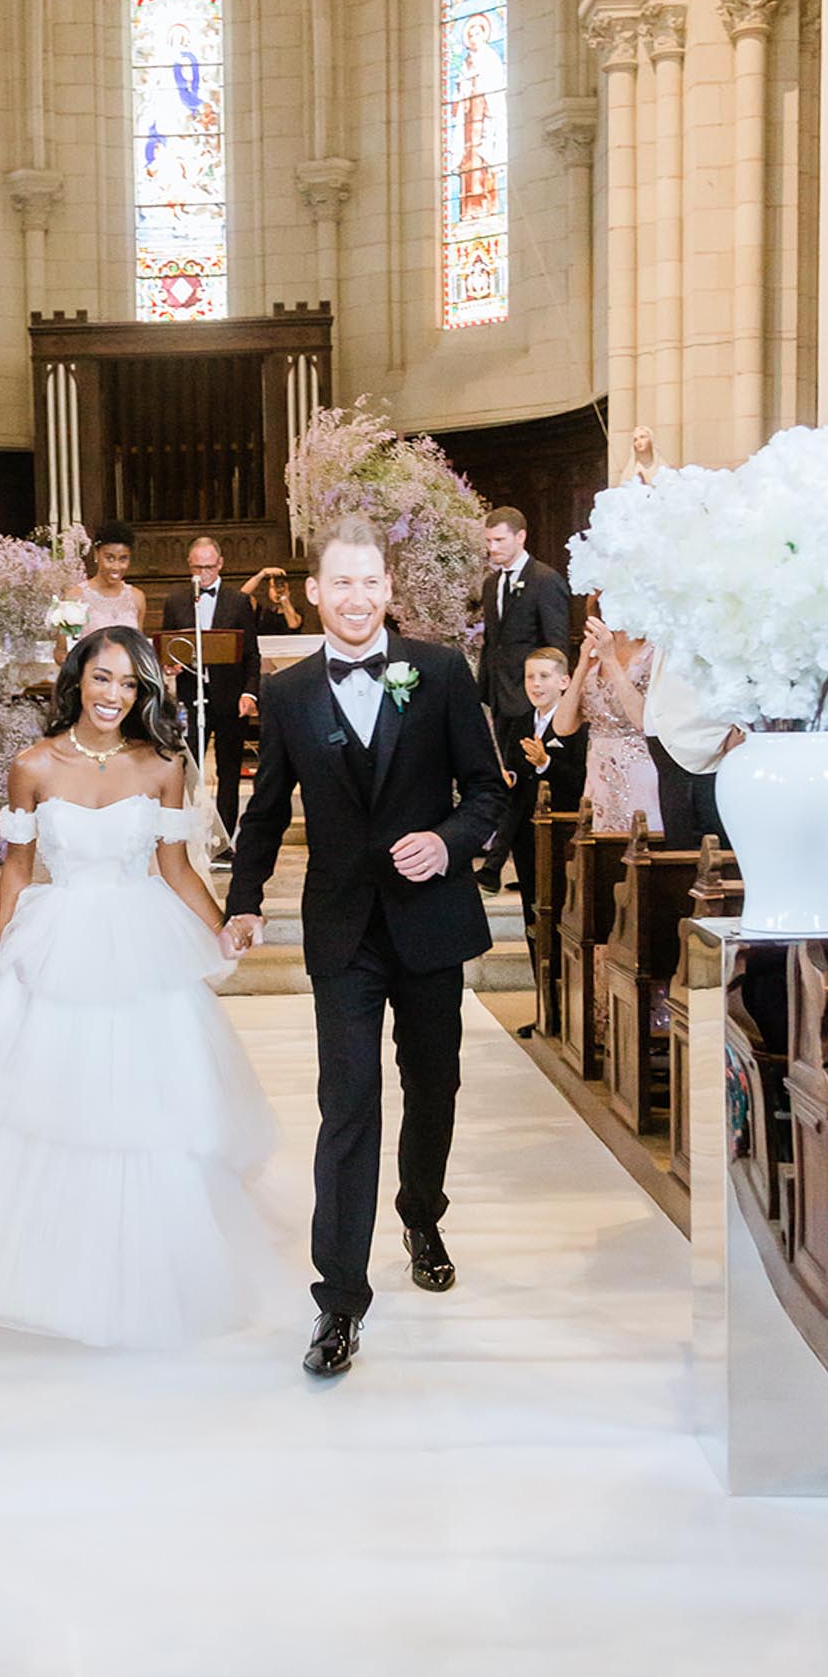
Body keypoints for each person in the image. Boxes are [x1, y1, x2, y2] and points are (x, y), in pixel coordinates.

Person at [0, 626, 276, 1348]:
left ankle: (148, 1270)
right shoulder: (33, 764)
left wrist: (223, 927)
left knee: (145, 1111)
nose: (115, 696)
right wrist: (6, 951)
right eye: (103, 679)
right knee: (44, 1108)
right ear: (78, 679)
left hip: (139, 942)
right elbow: (16, 866)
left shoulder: (161, 765)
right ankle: (36, 1273)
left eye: (130, 684)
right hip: (57, 940)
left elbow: (177, 867)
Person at [223, 517, 506, 1379]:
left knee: (433, 1084)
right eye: (338, 583)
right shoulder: (289, 692)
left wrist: (450, 843)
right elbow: (266, 808)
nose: (355, 598)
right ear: (313, 593)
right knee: (347, 1106)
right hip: (342, 926)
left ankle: (421, 1212)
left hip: (430, 919)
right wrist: (242, 903)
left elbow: (489, 789)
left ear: (389, 590)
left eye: (369, 583)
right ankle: (339, 1303)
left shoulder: (443, 669)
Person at [475, 505, 571, 891]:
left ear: (520, 537)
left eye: (499, 540)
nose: (492, 548)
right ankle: (519, 866)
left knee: (521, 784)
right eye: (488, 541)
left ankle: (497, 866)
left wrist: (550, 699)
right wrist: (482, 691)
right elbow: (492, 644)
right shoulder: (491, 584)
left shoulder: (545, 580)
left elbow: (556, 643)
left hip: (534, 701)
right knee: (513, 782)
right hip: (502, 697)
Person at [500, 648, 587, 1027]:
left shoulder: (578, 723)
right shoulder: (519, 722)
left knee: (561, 916)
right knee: (532, 915)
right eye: (530, 677)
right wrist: (507, 780)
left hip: (564, 835)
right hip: (526, 835)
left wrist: (546, 763)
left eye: (544, 676)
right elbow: (513, 771)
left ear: (564, 681)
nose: (535, 684)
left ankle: (573, 1012)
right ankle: (545, 1011)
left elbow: (584, 778)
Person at [160, 535, 261, 856]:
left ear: (220, 565)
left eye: (208, 567)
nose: (202, 574)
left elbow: (252, 655)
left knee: (229, 772)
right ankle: (189, 836)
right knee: (189, 768)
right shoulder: (176, 600)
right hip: (191, 699)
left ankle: (223, 841)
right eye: (196, 567)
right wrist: (171, 665)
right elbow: (168, 648)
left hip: (230, 699)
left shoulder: (238, 602)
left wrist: (250, 693)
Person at [553, 609, 661, 832]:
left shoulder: (653, 653)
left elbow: (644, 720)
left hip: (641, 769)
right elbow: (562, 726)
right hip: (598, 774)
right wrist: (583, 663)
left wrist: (610, 659)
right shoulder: (594, 657)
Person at [642, 649, 743, 850]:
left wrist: (742, 725)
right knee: (681, 847)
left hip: (714, 735)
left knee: (720, 847)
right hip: (665, 733)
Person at [67, 520, 146, 634]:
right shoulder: (76, 597)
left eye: (123, 559)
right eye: (110, 558)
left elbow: (138, 646)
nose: (116, 567)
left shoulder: (137, 598)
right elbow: (63, 650)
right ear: (96, 554)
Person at [241, 565, 305, 636]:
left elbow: (293, 624)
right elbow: (242, 595)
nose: (278, 590)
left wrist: (283, 598)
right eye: (273, 587)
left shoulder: (296, 612)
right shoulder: (263, 613)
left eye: (282, 586)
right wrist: (262, 573)